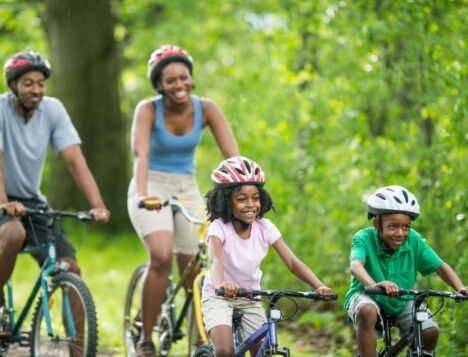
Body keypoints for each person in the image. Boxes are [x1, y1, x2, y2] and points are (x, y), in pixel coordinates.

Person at [0, 51, 110, 337]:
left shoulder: (53, 110)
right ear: (13, 85)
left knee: (69, 267)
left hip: (30, 198)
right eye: (28, 83)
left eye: (41, 83)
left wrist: (97, 205)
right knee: (13, 234)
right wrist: (2, 203)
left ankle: (81, 350)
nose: (36, 90)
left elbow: (74, 160)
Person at [127, 44, 238, 356]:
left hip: (186, 187)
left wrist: (244, 192)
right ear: (159, 85)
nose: (178, 85)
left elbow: (232, 156)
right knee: (161, 256)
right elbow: (141, 154)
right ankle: (146, 339)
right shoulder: (148, 110)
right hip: (150, 183)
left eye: (183, 78)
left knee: (196, 267)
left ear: (191, 78)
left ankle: (201, 339)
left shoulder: (207, 109)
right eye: (170, 80)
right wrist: (145, 191)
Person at [201, 156, 335, 357]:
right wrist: (222, 284)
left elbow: (291, 261)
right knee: (225, 351)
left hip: (250, 298)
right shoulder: (219, 228)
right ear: (225, 201)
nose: (250, 205)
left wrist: (318, 285)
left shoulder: (265, 227)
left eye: (255, 198)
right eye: (241, 199)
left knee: (263, 351)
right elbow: (215, 260)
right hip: (219, 296)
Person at [344, 185, 467, 357]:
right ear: (376, 224)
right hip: (366, 294)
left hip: (402, 298)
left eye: (406, 227)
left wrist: (459, 287)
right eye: (393, 226)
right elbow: (356, 266)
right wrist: (376, 284)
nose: (400, 233)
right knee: (367, 311)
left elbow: (440, 266)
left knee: (429, 331)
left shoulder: (414, 241)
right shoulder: (363, 238)